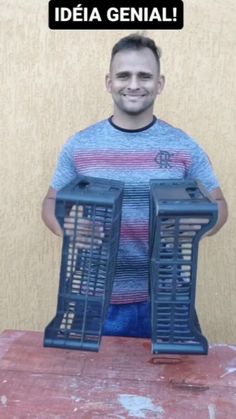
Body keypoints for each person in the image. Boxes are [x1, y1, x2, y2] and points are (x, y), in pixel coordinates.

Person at [42, 33, 228, 339]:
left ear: (160, 83)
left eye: (144, 75)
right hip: (93, 299)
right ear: (108, 82)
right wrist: (68, 227)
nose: (133, 84)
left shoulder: (183, 146)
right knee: (89, 384)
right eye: (123, 75)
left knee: (174, 384)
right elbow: (50, 202)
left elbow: (220, 206)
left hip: (166, 300)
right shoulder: (81, 145)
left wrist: (201, 223)